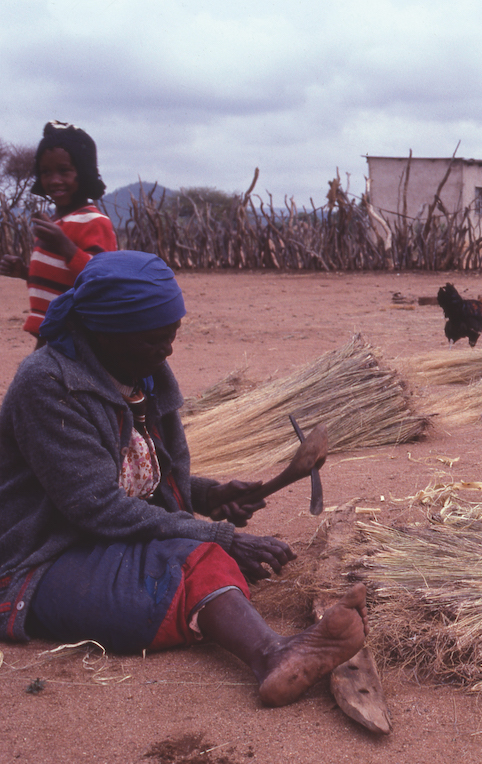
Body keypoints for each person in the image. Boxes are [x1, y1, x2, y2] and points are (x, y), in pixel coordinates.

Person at [0, 251, 366, 707]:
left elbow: (139, 472)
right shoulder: (49, 385)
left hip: (106, 538)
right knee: (193, 562)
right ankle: (271, 656)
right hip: (44, 560)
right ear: (104, 332)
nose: (168, 351)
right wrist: (217, 534)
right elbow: (96, 504)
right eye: (154, 340)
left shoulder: (141, 373)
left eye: (171, 336)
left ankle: (269, 645)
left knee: (204, 556)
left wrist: (207, 494)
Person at [0, 121, 118, 343]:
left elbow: (102, 279)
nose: (54, 180)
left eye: (64, 171)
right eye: (45, 172)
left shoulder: (94, 221)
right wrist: (24, 272)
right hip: (51, 331)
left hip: (77, 335)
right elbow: (63, 278)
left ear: (84, 172)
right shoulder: (55, 222)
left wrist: (65, 246)